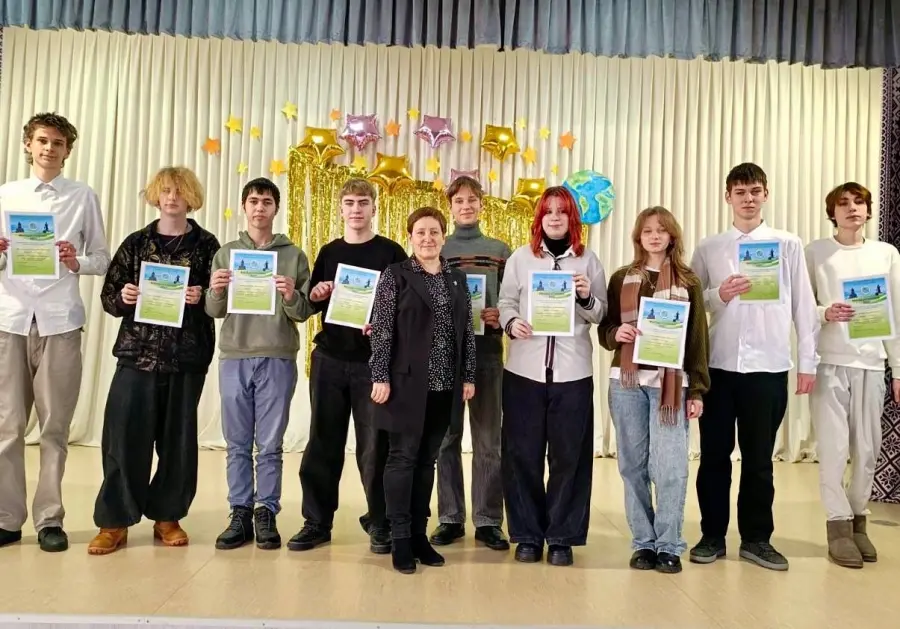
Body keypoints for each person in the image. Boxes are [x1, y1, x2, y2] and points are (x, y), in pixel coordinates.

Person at [690, 162, 820, 571]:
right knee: (714, 456)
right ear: (727, 196)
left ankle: (757, 539)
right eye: (740, 191)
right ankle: (712, 535)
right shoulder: (709, 247)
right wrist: (719, 294)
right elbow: (691, 303)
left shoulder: (788, 244)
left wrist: (808, 362)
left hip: (768, 365)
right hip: (719, 366)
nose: (748, 199)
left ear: (766, 195)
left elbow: (803, 305)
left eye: (755, 191)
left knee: (760, 459)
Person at [87, 167, 220, 555]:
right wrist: (124, 296)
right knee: (124, 437)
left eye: (179, 191)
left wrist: (202, 296)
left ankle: (167, 516)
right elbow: (109, 298)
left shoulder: (207, 246)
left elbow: (221, 300)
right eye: (165, 191)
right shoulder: (135, 243)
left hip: (186, 357)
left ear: (191, 197)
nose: (172, 197)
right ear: (155, 196)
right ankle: (114, 521)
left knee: (178, 442)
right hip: (137, 355)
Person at [0, 112, 110, 552]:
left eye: (58, 143)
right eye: (42, 140)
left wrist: (74, 261)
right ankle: (7, 519)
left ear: (68, 151)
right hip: (9, 320)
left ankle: (49, 518)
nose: (49, 148)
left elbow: (100, 258)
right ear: (29, 145)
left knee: (55, 427)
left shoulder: (82, 196)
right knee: (7, 427)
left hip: (61, 321)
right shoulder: (5, 195)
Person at [289, 178, 407, 554]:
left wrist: (383, 323)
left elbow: (405, 305)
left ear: (374, 208)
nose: (356, 209)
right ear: (341, 209)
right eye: (350, 203)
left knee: (375, 448)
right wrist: (317, 293)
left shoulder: (391, 252)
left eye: (363, 202)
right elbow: (313, 302)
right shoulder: (329, 251)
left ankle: (380, 521)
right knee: (323, 442)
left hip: (374, 363)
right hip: (330, 359)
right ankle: (317, 521)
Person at [498, 186, 607, 567]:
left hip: (572, 373)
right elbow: (505, 302)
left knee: (569, 458)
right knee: (522, 455)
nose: (555, 217)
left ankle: (562, 536)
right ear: (540, 218)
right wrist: (511, 322)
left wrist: (585, 297)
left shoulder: (588, 260)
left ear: (572, 218)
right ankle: (527, 534)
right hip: (524, 371)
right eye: (549, 211)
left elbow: (601, 314)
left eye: (562, 211)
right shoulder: (521, 258)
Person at [598, 207, 710, 574]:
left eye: (662, 230)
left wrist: (697, 390)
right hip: (626, 383)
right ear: (638, 237)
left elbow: (697, 339)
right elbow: (605, 330)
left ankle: (669, 544)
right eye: (647, 231)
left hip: (671, 385)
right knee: (632, 466)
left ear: (672, 236)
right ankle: (643, 543)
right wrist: (616, 333)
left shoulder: (689, 282)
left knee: (670, 467)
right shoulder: (621, 278)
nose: (655, 236)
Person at [206, 178, 316, 551]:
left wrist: (290, 295)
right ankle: (239, 512)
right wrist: (216, 289)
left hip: (278, 356)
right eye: (253, 201)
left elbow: (303, 311)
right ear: (244, 206)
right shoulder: (226, 254)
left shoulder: (294, 255)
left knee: (269, 444)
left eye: (266, 202)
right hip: (235, 354)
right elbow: (214, 310)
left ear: (275, 208)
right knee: (237, 443)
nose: (259, 208)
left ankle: (265, 511)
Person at [368, 206, 476, 574]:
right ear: (410, 237)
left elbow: (466, 331)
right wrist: (379, 376)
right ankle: (399, 537)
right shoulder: (396, 275)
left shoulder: (457, 278)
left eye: (434, 232)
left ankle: (418, 535)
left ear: (444, 237)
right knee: (402, 459)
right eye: (420, 233)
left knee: (427, 460)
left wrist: (468, 376)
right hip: (404, 384)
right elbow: (382, 328)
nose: (427, 239)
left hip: (445, 386)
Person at [804, 182, 900, 568]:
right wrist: (824, 312)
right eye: (843, 204)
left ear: (868, 210)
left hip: (872, 364)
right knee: (833, 448)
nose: (852, 209)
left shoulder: (886, 254)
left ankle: (860, 521)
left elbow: (895, 313)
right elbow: (801, 308)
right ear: (833, 213)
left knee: (867, 449)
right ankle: (838, 527)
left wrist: (897, 369)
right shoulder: (816, 252)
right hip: (829, 362)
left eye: (859, 202)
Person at [430, 175, 511, 551]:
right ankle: (449, 517)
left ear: (481, 204)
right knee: (446, 438)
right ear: (450, 207)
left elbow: (512, 299)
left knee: (488, 440)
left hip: (487, 353)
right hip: (444, 357)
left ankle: (489, 519)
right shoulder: (437, 247)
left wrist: (501, 315)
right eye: (459, 201)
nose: (466, 206)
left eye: (472, 200)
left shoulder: (499, 250)